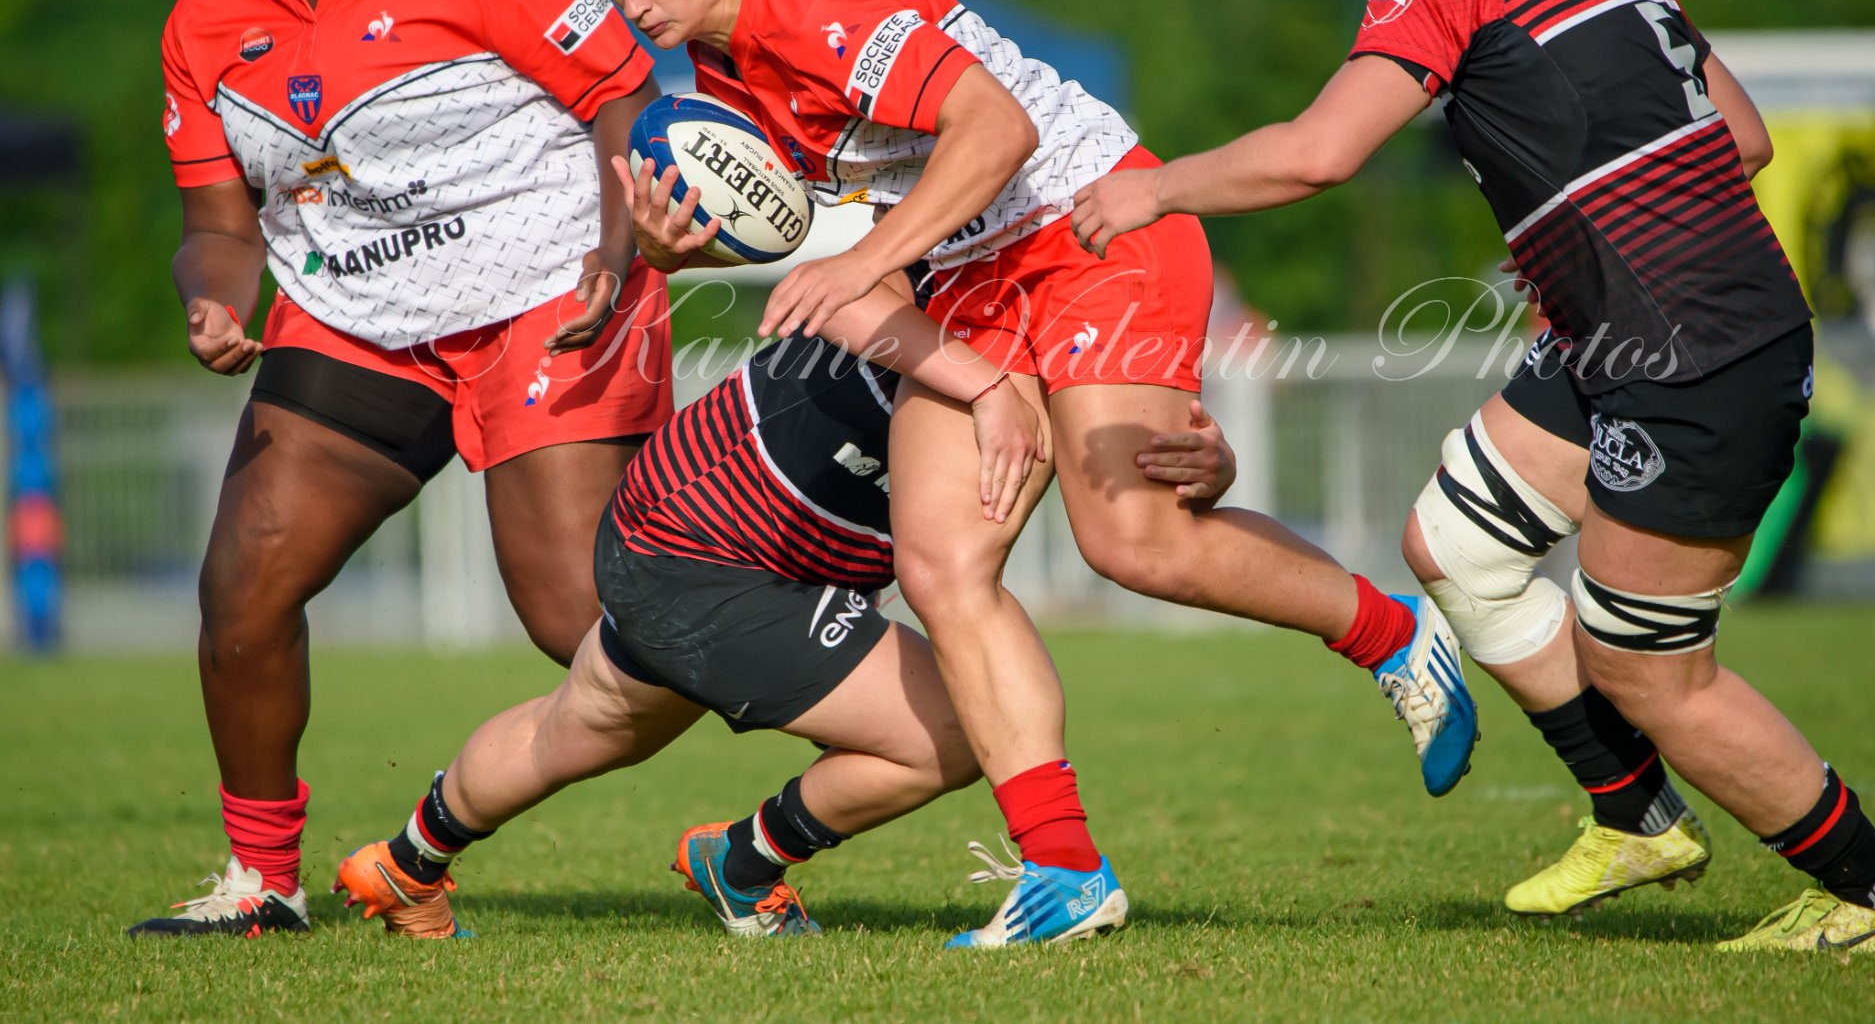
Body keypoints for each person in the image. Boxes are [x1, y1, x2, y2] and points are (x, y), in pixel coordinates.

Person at [571, 0, 1479, 949]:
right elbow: (841, 243)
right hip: (977, 285)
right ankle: (1063, 869)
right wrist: (680, 256)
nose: (635, 6)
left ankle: (1390, 636)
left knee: (1133, 539)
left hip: (1096, 228)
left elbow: (991, 132)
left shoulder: (812, 4)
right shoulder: (724, 76)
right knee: (939, 563)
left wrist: (871, 263)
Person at [1070, 0, 1875, 956]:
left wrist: (1157, 190)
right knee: (1455, 539)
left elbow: (1319, 151)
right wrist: (1588, 242)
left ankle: (1872, 893)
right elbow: (1739, 138)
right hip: (1659, 326)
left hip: (1687, 352)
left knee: (1650, 671)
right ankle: (1632, 815)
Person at [89, 0, 674, 938]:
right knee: (245, 576)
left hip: (541, 293)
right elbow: (219, 222)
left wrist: (616, 255)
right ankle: (262, 885)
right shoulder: (203, 26)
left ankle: (796, 791)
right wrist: (213, 296)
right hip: (361, 316)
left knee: (587, 623)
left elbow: (622, 92)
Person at [330, 235, 1239, 941]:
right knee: (962, 731)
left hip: (686, 535)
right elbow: (844, 294)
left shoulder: (1063, 306)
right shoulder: (944, 263)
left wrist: (1208, 463)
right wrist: (989, 383)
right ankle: (742, 862)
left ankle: (406, 861)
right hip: (708, 548)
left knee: (579, 725)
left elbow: (1131, 457)